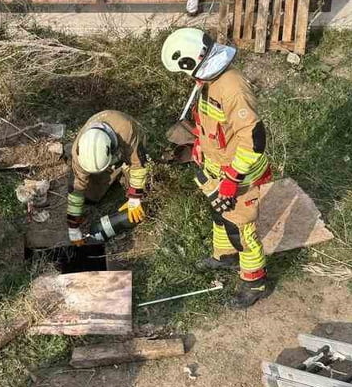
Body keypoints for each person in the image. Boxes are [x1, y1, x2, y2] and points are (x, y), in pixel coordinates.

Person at [161, 28, 272, 309]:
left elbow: (254, 138)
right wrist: (199, 145)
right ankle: (225, 256)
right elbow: (211, 124)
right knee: (220, 214)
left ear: (191, 61)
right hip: (215, 165)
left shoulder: (231, 87)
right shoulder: (208, 81)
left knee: (240, 228)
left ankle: (254, 283)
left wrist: (232, 179)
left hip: (239, 172)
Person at [66, 111, 150, 244]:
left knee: (141, 186)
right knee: (90, 197)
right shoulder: (78, 153)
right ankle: (113, 174)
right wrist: (73, 227)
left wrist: (135, 197)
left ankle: (123, 171)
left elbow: (138, 165)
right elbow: (77, 190)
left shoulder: (126, 130)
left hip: (128, 147)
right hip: (107, 157)